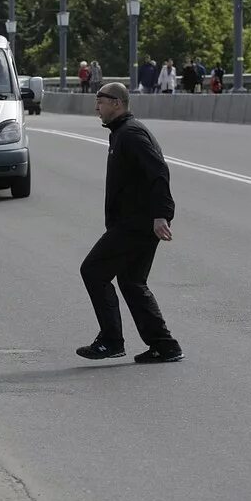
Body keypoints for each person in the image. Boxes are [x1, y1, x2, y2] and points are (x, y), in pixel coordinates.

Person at [76, 82, 183, 364]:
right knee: (132, 281)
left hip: (136, 223)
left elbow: (158, 171)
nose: (96, 108)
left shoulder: (131, 134)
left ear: (117, 104)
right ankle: (165, 346)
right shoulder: (120, 134)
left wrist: (162, 214)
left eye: (101, 102)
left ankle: (111, 340)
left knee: (93, 271)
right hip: (136, 222)